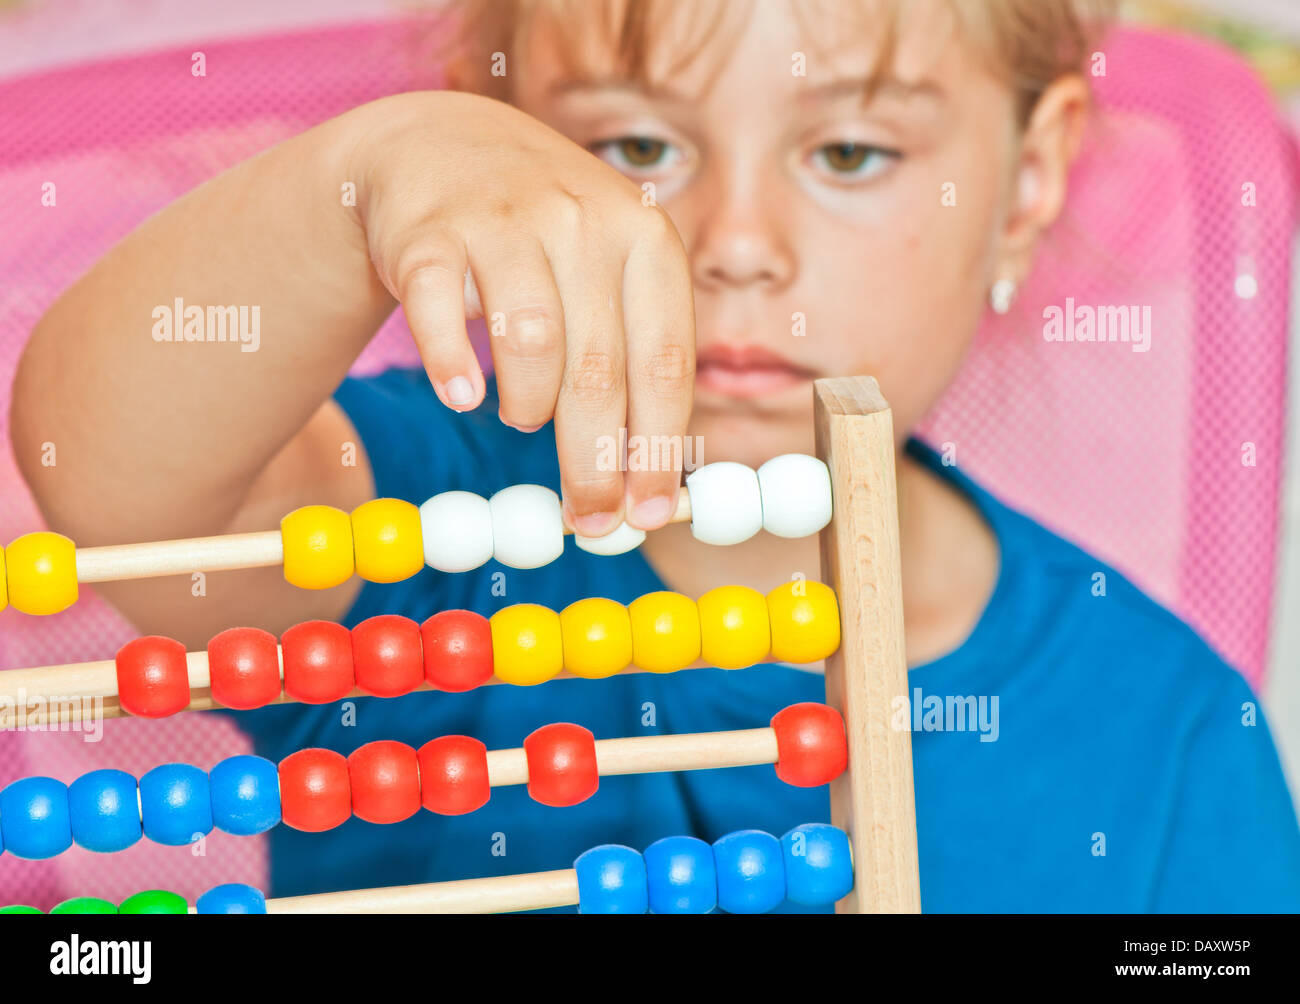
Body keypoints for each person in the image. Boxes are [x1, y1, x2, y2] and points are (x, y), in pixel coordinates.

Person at [13, 0, 1300, 910]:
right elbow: (113, 478)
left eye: (849, 151)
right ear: (503, 144)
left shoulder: (1170, 741)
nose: (736, 240)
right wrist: (367, 177)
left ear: (1023, 187)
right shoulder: (427, 519)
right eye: (636, 147)